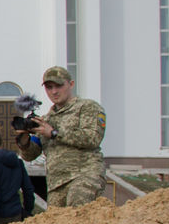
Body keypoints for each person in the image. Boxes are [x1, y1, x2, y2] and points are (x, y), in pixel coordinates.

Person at [15, 66, 107, 208]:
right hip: (56, 184)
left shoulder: (87, 107)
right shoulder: (46, 119)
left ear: (71, 84)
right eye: (49, 87)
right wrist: (24, 141)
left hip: (84, 175)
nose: (54, 92)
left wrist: (54, 133)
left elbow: (92, 138)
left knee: (77, 216)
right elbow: (30, 155)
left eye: (59, 86)